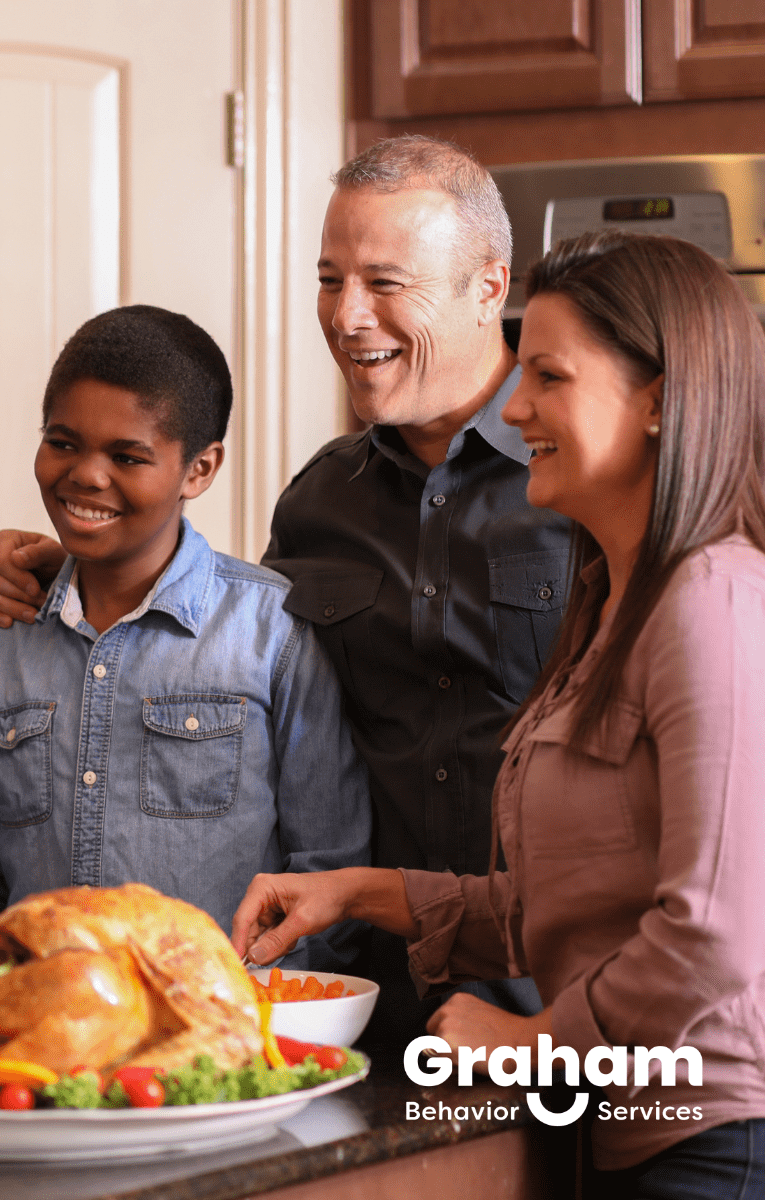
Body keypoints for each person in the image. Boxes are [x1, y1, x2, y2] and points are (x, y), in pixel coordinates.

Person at [0, 136, 561, 1050]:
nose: (347, 316)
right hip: (369, 1000)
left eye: (386, 282)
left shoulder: (586, 479)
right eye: (331, 279)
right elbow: (219, 647)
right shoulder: (322, 500)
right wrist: (78, 569)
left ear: (490, 286)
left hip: (569, 997)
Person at [231, 229, 765, 1194]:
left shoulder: (712, 602)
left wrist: (532, 1041)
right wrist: (351, 893)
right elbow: (562, 902)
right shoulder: (613, 602)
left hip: (715, 1136)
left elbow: (716, 936)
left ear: (659, 401)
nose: (516, 408)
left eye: (550, 378)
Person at [0, 307, 369, 942]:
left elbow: (327, 881)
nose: (85, 474)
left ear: (200, 468)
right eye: (62, 442)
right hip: (42, 1031)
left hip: (228, 1027)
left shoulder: (274, 634)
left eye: (128, 457)